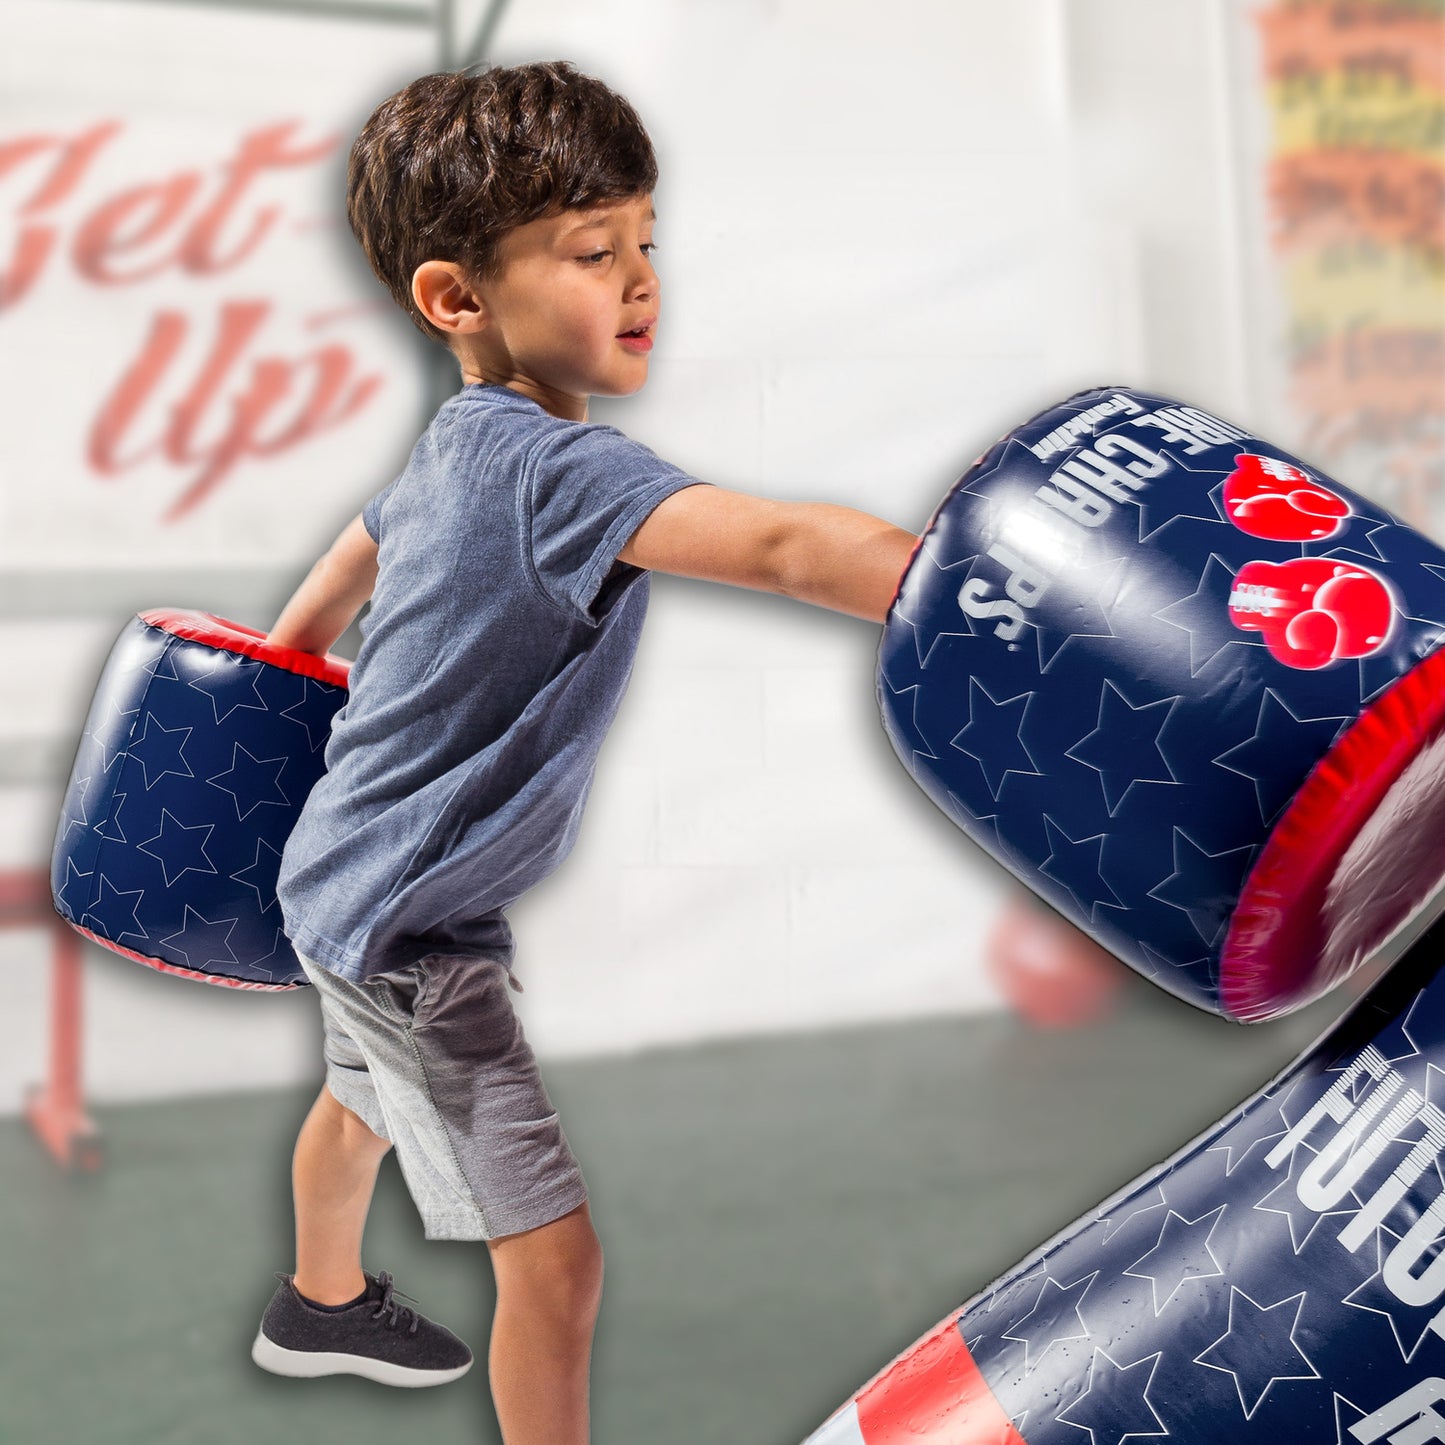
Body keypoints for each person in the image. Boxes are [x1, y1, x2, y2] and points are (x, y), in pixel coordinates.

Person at [251, 60, 917, 1444]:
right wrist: (974, 597)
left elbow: (361, 539)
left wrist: (286, 650)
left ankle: (317, 1300)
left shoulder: (465, 443)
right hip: (414, 931)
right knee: (553, 1263)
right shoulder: (559, 473)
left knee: (359, 1096)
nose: (638, 283)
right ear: (456, 297)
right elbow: (790, 547)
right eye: (589, 252)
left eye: (644, 244)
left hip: (343, 877)